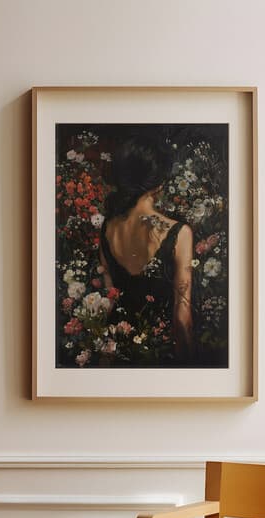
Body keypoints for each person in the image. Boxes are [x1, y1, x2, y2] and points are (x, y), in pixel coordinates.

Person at [98, 137, 195, 364]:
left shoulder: (108, 228)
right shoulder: (179, 233)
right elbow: (182, 316)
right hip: (160, 355)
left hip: (119, 353)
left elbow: (109, 301)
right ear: (159, 183)